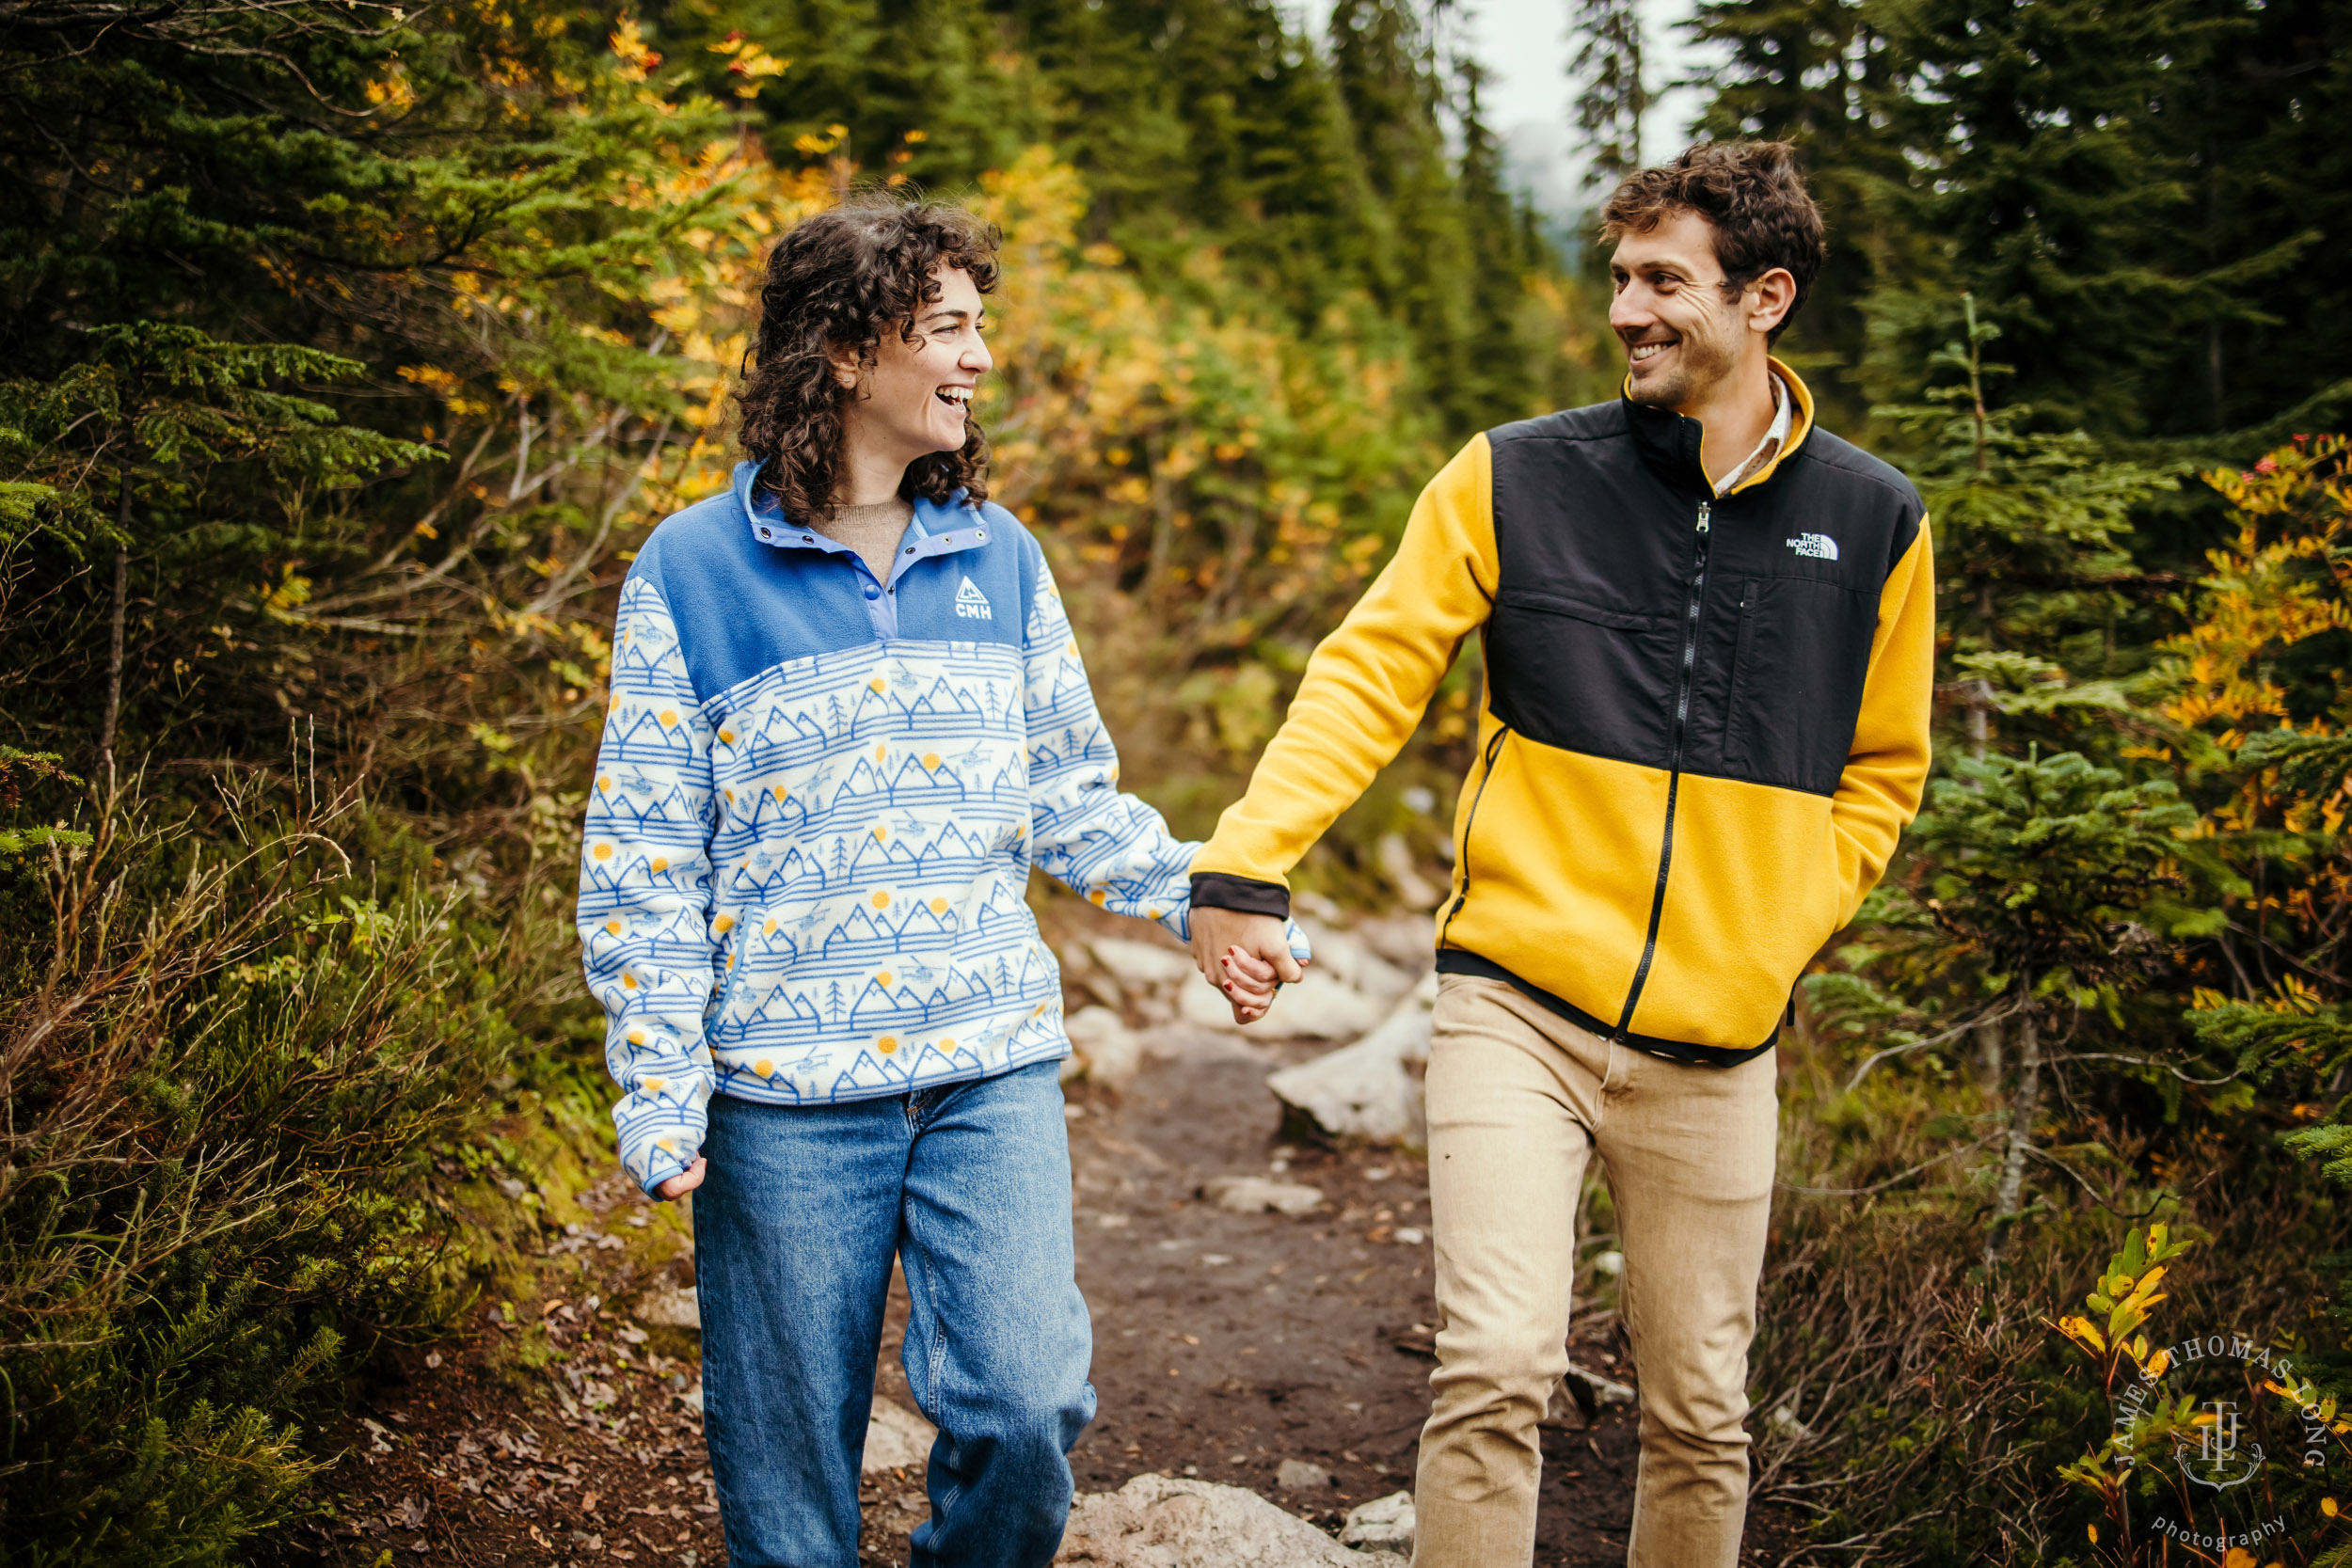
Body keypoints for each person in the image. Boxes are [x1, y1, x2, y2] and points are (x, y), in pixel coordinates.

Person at [1196, 142, 1934, 1566]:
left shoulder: (1874, 519)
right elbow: (1367, 676)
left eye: (1664, 281)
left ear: (1765, 297)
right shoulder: (1516, 476)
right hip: (1515, 1006)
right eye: (1619, 278)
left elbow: (1883, 771)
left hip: (1719, 1042)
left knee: (1703, 1411)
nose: (1626, 311)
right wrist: (1246, 861)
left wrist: (1782, 923)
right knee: (1495, 1364)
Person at [576, 194, 1294, 1568]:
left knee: (1027, 1408)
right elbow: (646, 854)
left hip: (987, 1066)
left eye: (978, 326)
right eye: (947, 328)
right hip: (784, 1094)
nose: (979, 357)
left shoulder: (1000, 555)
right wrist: (660, 1079)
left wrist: (1202, 894)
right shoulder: (693, 570)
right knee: (788, 1475)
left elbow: (1068, 795)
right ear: (848, 352)